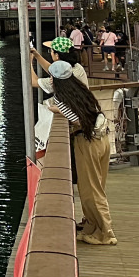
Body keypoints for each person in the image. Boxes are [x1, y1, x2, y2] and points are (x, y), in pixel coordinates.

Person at [42, 59, 116, 245]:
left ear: (56, 80)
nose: (50, 80)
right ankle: (91, 224)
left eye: (51, 76)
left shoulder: (62, 98)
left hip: (87, 142)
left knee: (91, 190)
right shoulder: (81, 89)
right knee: (97, 186)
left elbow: (72, 117)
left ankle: (105, 234)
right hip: (102, 139)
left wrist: (52, 108)